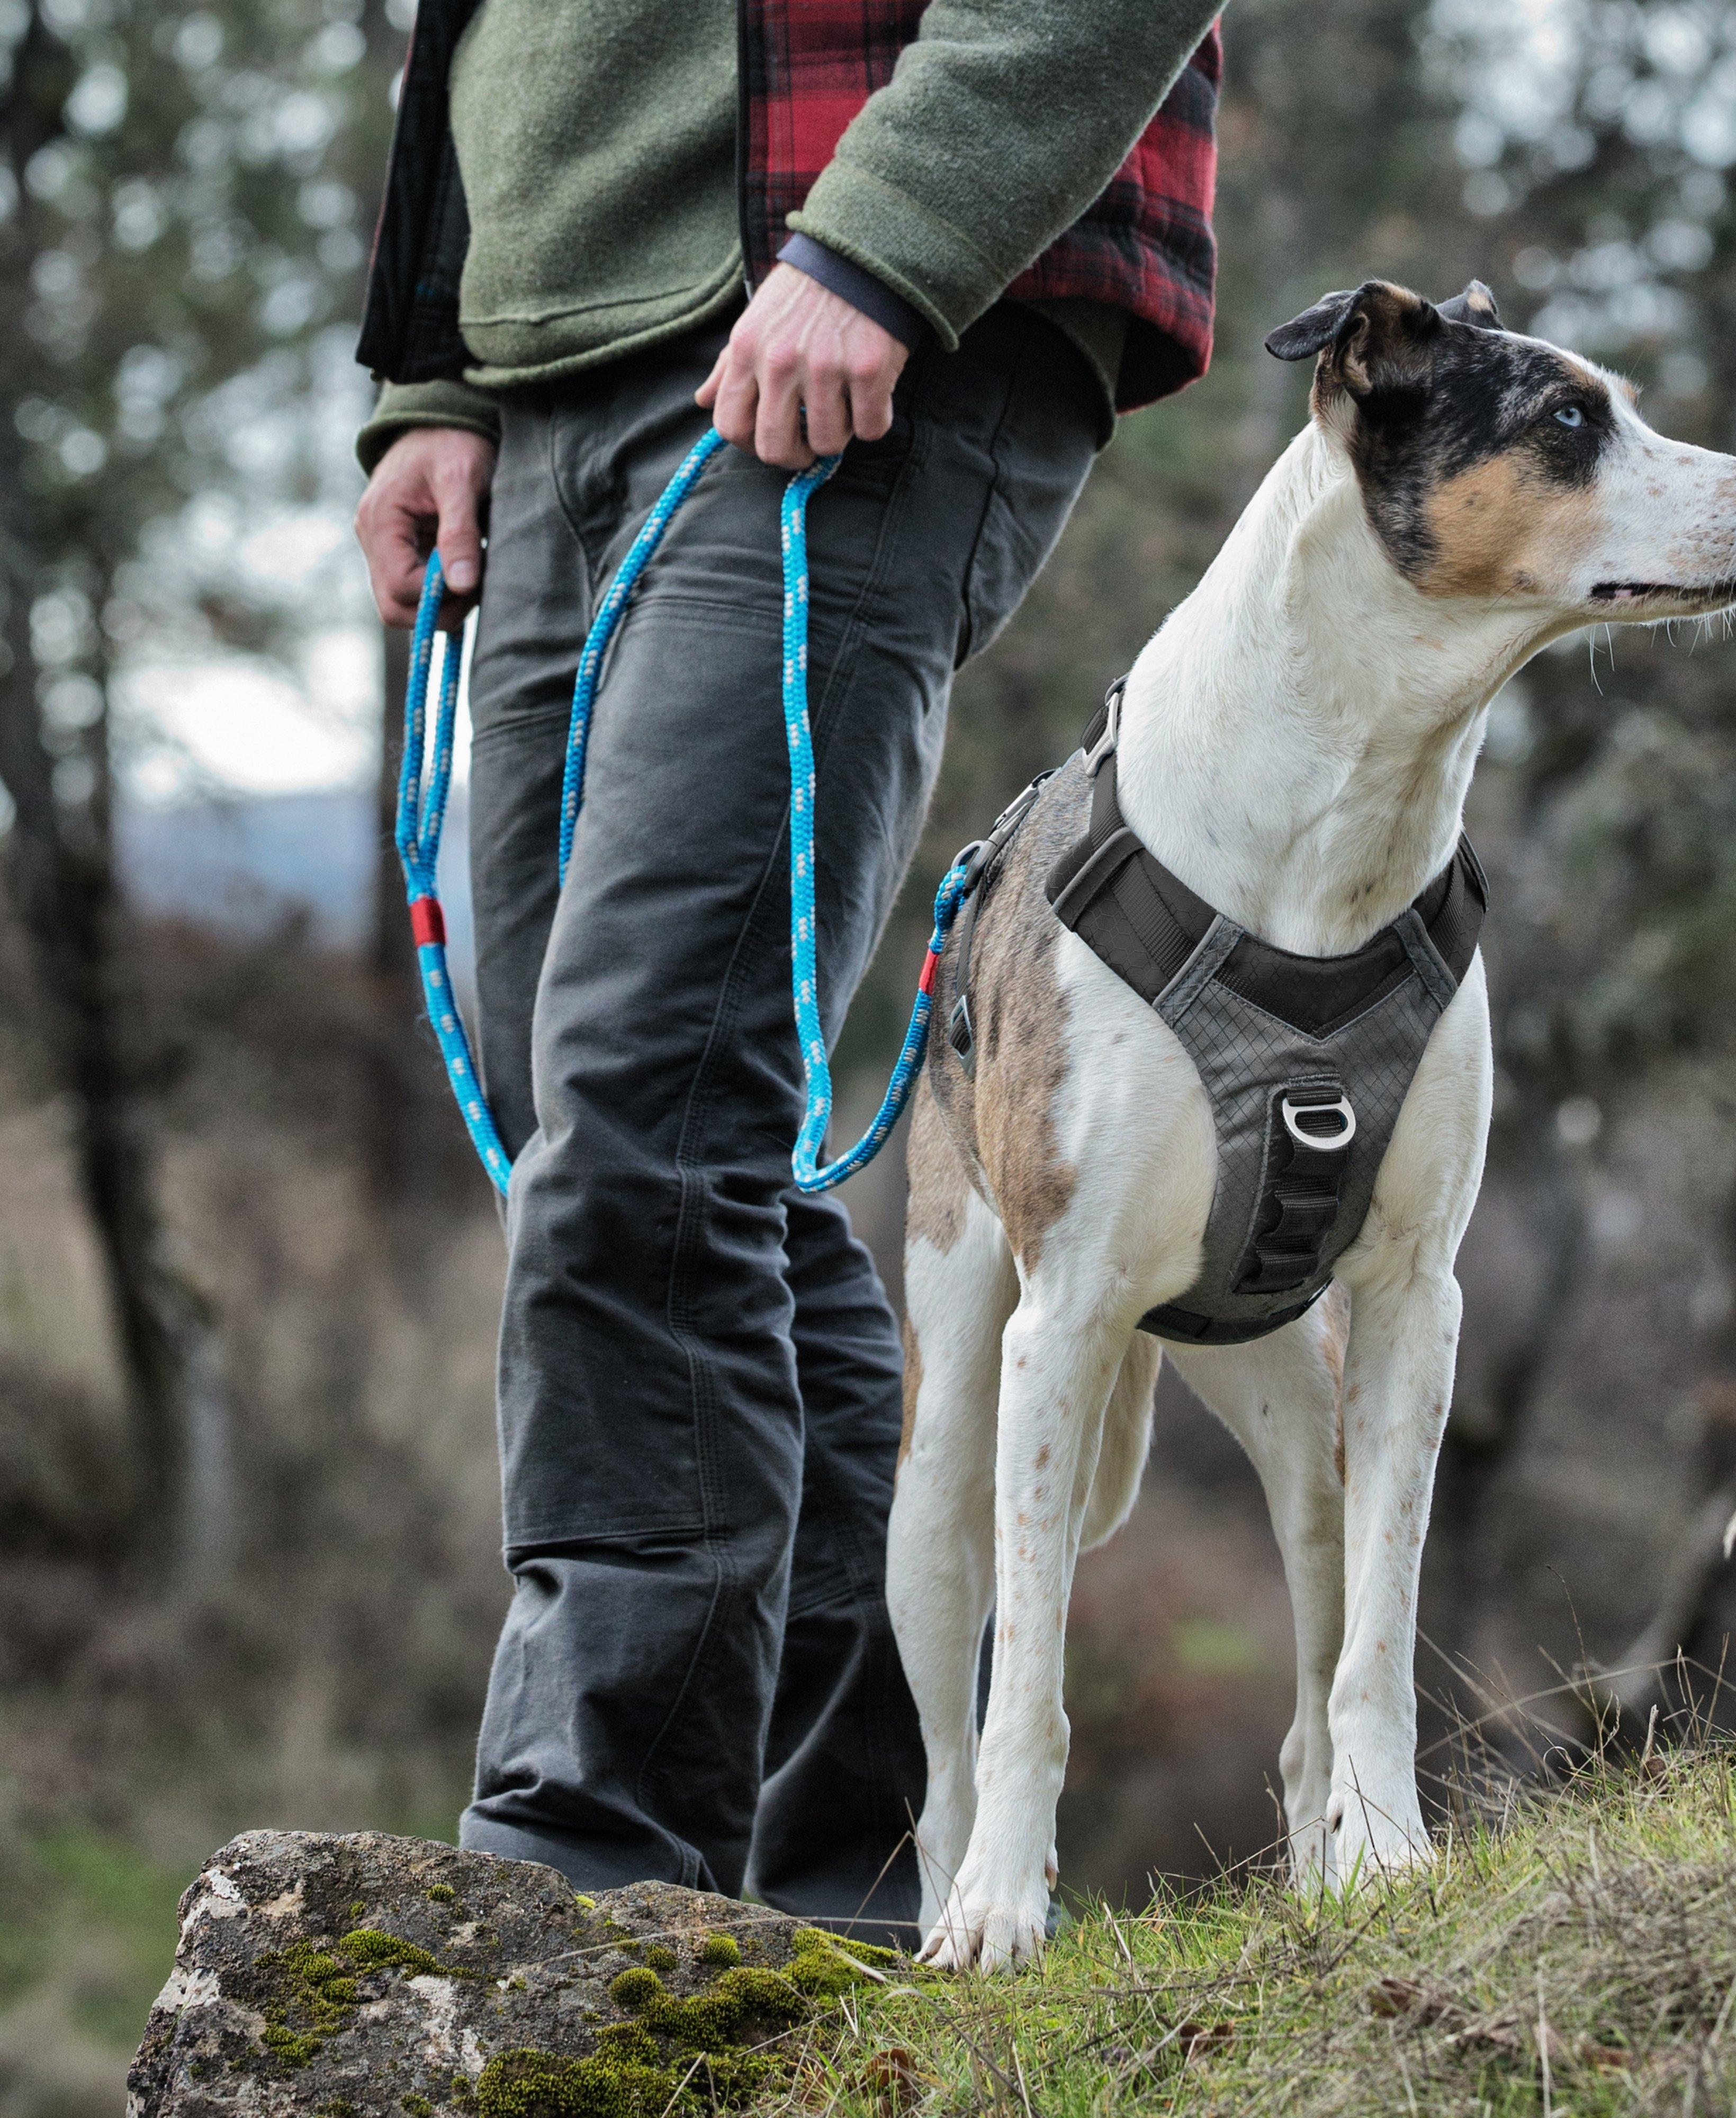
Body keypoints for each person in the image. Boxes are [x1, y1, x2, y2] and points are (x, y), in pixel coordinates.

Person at [350, 0, 1224, 1933]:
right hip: (549, 377)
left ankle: (585, 1867)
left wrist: (882, 242)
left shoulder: (874, 267)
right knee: (604, 1128)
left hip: (844, 309)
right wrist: (432, 371)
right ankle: (868, 1872)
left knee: (649, 1104)